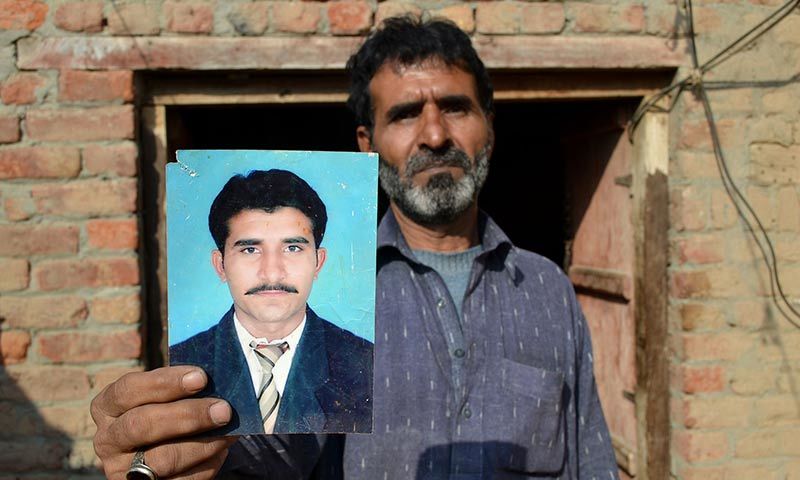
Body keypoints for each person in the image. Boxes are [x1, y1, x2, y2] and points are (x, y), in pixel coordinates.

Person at [91, 17, 618, 480]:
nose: (435, 135)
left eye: (456, 107)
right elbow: (270, 451)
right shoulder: (331, 301)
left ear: (490, 127)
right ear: (367, 143)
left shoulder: (547, 289)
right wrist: (183, 452)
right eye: (406, 114)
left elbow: (591, 463)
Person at [170, 169, 373, 435]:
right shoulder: (177, 364)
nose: (273, 272)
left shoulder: (366, 364)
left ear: (318, 262)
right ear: (220, 265)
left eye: (292, 248)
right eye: (250, 249)